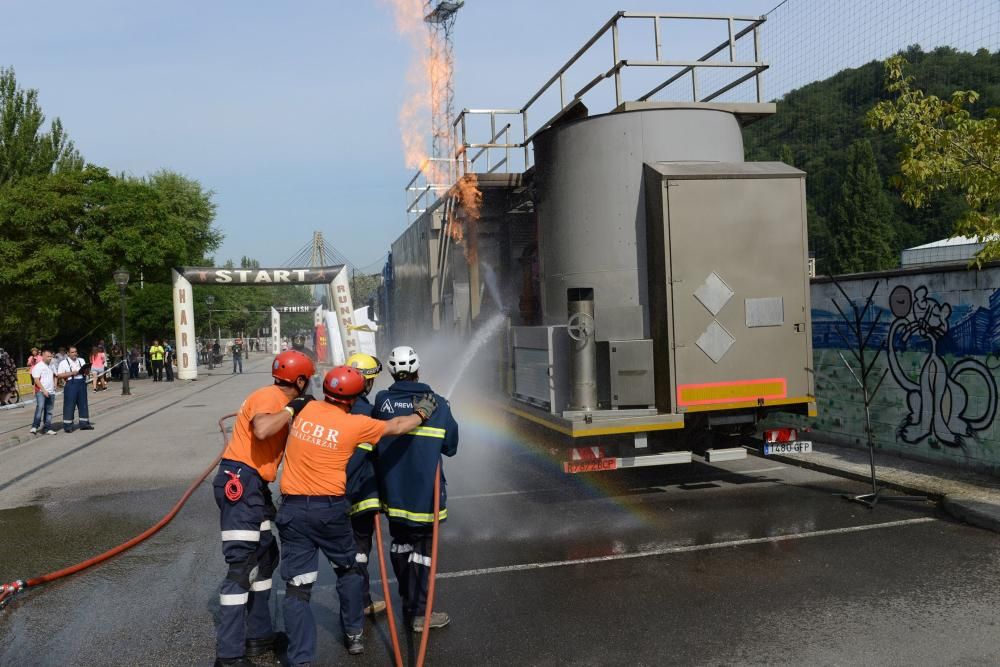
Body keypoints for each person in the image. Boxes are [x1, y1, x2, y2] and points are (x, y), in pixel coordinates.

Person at [278, 365, 438, 663]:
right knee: (349, 570)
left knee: (297, 587)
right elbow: (398, 427)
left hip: (293, 510)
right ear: (353, 398)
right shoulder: (356, 424)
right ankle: (354, 636)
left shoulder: (305, 411)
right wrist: (422, 413)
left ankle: (300, 659)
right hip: (329, 510)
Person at [211, 350, 316, 667]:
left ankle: (259, 636)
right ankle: (229, 655)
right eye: (307, 381)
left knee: (266, 555)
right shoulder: (268, 396)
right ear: (299, 380)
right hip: (239, 482)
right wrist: (294, 408)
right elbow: (261, 429)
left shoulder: (277, 401)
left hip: (255, 485)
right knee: (241, 568)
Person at [373, 345, 459, 632]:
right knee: (423, 552)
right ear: (417, 369)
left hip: (393, 494)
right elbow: (451, 447)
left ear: (391, 372)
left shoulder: (382, 402)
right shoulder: (438, 404)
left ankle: (407, 598)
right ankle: (421, 613)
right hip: (426, 498)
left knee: (400, 544)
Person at [344, 353, 387, 617]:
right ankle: (360, 604)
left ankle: (359, 600)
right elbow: (362, 457)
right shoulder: (365, 413)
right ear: (366, 383)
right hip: (358, 494)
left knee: (347, 551)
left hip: (331, 495)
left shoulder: (336, 407)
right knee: (359, 550)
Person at [56, 346, 92, 432]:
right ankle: (68, 426)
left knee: (83, 404)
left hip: (82, 383)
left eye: (75, 352)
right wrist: (72, 373)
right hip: (71, 384)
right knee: (69, 405)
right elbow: (59, 375)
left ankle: (84, 424)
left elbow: (86, 372)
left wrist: (87, 370)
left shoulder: (81, 360)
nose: (74, 354)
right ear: (68, 353)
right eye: (72, 352)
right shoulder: (63, 363)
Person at [29, 348, 56, 435]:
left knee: (49, 411)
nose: (50, 358)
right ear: (43, 356)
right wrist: (44, 390)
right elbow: (36, 380)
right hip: (41, 391)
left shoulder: (52, 365)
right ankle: (34, 426)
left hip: (51, 391)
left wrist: (55, 385)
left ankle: (47, 428)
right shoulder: (38, 366)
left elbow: (56, 375)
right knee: (40, 407)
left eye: (51, 356)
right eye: (48, 356)